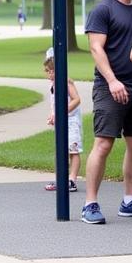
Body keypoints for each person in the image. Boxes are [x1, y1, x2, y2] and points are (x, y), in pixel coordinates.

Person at [81, 0, 132, 225]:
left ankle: (130, 200)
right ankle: (90, 204)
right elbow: (96, 49)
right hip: (110, 87)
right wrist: (112, 81)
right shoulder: (103, 10)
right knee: (104, 143)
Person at [43, 48, 81, 193]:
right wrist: (53, 115)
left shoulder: (65, 81)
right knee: (61, 150)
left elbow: (77, 99)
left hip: (71, 121)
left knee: (73, 150)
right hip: (61, 121)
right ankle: (61, 178)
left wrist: (61, 112)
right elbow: (55, 103)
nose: (49, 74)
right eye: (47, 71)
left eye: (51, 71)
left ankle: (72, 179)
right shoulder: (53, 84)